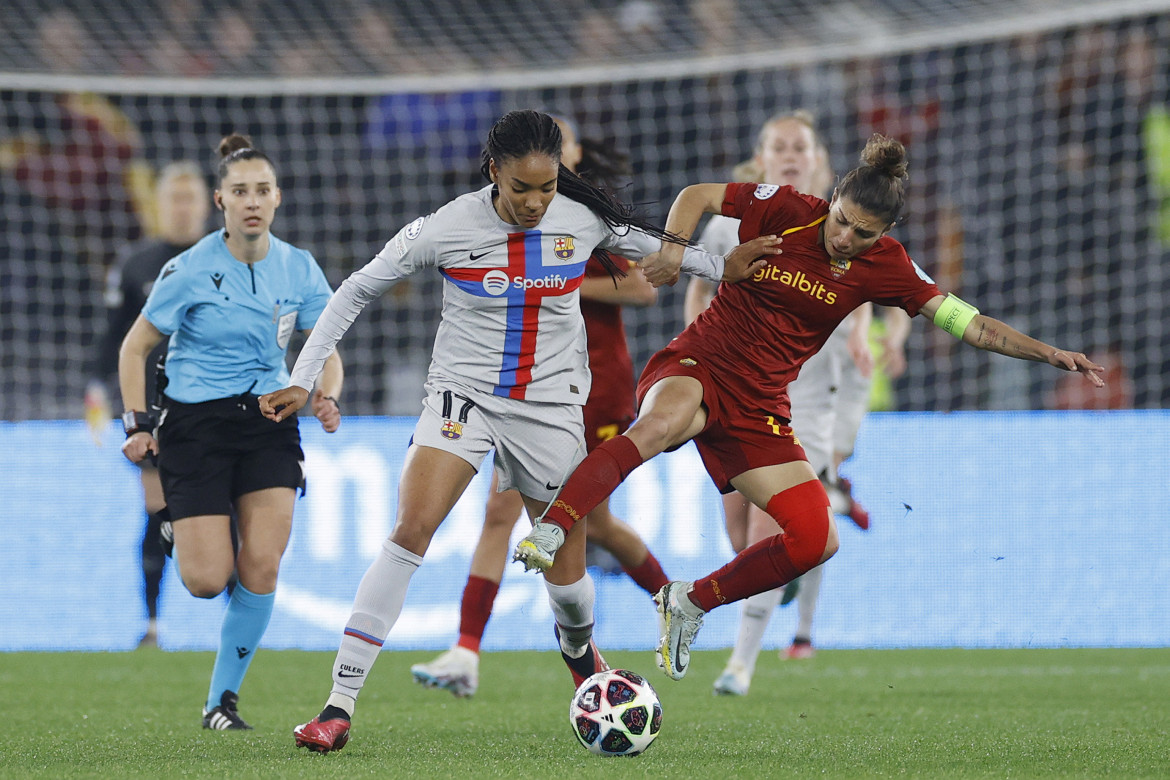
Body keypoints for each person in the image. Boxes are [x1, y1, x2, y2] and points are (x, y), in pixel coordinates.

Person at [258, 110, 773, 753]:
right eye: (521, 188)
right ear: (493, 171)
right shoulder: (446, 226)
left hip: (551, 409)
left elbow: (671, 254)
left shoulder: (583, 221)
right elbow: (354, 292)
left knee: (566, 577)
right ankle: (338, 704)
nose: (535, 202)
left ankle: (582, 658)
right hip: (462, 396)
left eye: (547, 188)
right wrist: (305, 379)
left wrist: (729, 265)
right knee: (410, 529)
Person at [513, 133, 1105, 684]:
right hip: (701, 359)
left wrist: (1047, 352)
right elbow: (697, 196)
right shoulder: (787, 208)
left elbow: (971, 325)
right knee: (662, 424)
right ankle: (554, 527)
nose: (845, 237)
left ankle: (689, 600)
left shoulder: (890, 266)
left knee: (817, 538)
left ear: (887, 232)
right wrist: (672, 249)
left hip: (761, 403)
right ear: (834, 198)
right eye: (842, 220)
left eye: (863, 234)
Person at [407, 116, 668, 698]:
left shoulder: (592, 222)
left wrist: (552, 278)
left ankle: (673, 600)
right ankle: (467, 651)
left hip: (593, 386)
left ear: (570, 157)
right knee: (508, 515)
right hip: (523, 391)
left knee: (589, 522)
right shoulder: (513, 218)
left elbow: (646, 286)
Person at [118, 134, 344, 729]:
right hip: (194, 425)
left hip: (269, 418)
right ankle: (179, 530)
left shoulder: (299, 267)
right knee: (204, 580)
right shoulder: (188, 268)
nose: (252, 201)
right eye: (240, 191)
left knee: (261, 566)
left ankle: (222, 702)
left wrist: (325, 395)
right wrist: (138, 424)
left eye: (262, 190)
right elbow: (135, 346)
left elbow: (325, 346)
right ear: (221, 200)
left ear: (277, 198)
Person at [88, 161, 211, 648]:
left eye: (190, 199)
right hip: (154, 409)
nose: (183, 209)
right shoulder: (137, 264)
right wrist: (97, 391)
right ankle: (154, 624)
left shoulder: (225, 258)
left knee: (224, 509)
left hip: (218, 405)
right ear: (159, 205)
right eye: (174, 200)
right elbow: (112, 337)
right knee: (159, 509)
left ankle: (238, 621)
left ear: (207, 204)